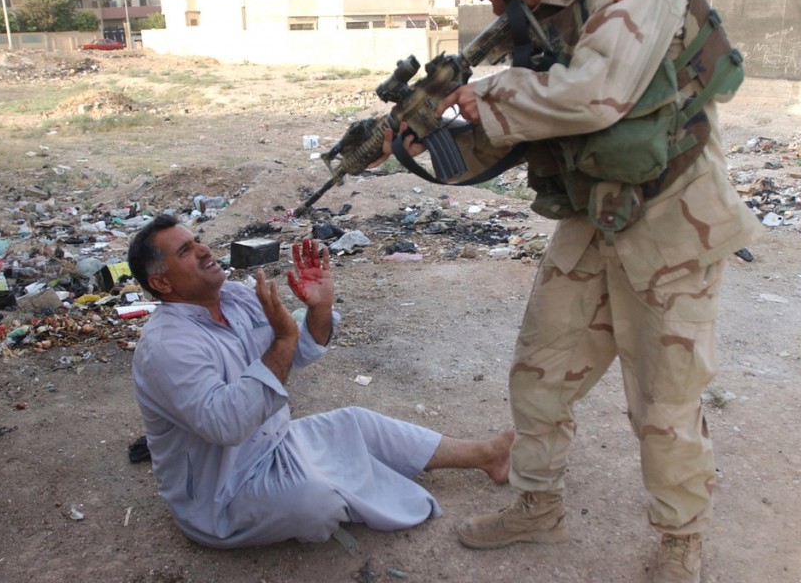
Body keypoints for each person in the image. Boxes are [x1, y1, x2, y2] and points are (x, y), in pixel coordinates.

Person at [372, 0, 764, 581]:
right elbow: (523, 130)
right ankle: (537, 505)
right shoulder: (532, 16)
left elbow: (596, 93)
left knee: (663, 401)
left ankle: (679, 544)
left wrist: (486, 98)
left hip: (673, 218)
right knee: (539, 370)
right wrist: (429, 146)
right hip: (593, 213)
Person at [126, 213, 513, 548]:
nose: (204, 250)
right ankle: (343, 475)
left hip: (273, 443)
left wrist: (319, 310)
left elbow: (295, 353)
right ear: (161, 284)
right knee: (315, 503)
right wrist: (284, 337)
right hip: (221, 493)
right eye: (185, 252)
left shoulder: (234, 298)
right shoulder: (166, 346)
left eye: (197, 241)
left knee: (357, 423)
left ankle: (487, 456)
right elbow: (227, 424)